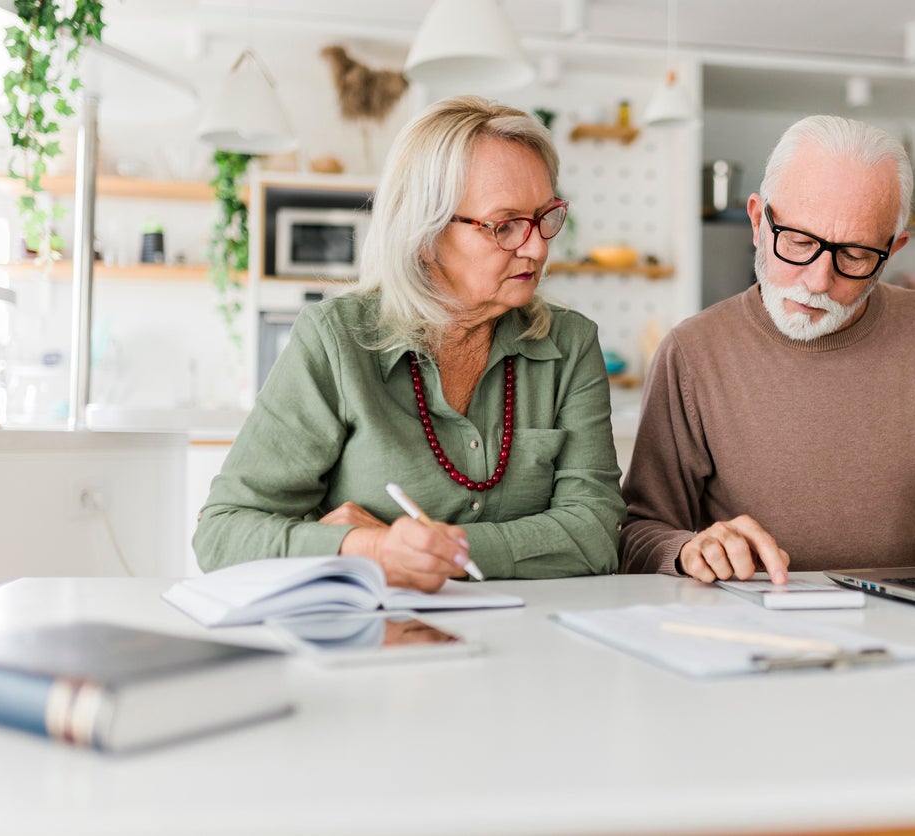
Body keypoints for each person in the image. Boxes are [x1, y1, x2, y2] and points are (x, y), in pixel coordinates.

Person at [195, 96, 625, 591]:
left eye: (545, 216)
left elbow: (595, 532)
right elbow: (222, 534)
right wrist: (364, 550)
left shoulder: (570, 344)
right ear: (425, 232)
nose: (538, 246)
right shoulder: (337, 340)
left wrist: (437, 553)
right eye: (504, 225)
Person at [619, 114, 915, 583]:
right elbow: (638, 534)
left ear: (896, 247)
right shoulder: (692, 351)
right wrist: (688, 549)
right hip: (756, 626)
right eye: (800, 242)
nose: (818, 280)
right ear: (757, 222)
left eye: (855, 255)